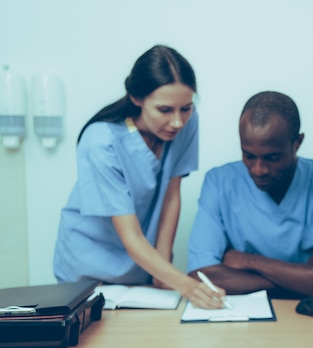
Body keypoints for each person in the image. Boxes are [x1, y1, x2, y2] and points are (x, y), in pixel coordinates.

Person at [54, 45, 223, 309]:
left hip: (141, 268)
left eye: (186, 108)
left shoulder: (187, 123)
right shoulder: (100, 141)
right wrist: (188, 286)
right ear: (136, 98)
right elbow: (130, 236)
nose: (177, 121)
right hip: (88, 268)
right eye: (165, 110)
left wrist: (162, 268)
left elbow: (171, 195)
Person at [187, 91, 313, 300]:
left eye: (273, 158)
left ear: (297, 143)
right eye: (248, 156)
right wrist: (304, 276)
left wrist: (251, 262)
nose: (258, 170)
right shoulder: (219, 183)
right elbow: (200, 276)